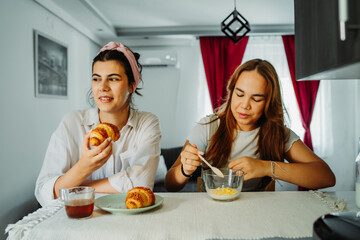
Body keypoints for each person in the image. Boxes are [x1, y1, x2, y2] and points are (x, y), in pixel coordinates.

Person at [165, 59, 335, 192]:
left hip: (258, 214)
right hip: (211, 212)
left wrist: (266, 167)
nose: (245, 105)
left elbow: (326, 177)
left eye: (256, 98)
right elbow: (171, 185)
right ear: (231, 93)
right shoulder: (207, 127)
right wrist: (184, 170)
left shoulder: (278, 134)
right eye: (240, 94)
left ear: (268, 102)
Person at [35, 42, 161, 206]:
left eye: (113, 79)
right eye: (96, 79)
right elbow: (44, 192)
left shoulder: (147, 123)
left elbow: (141, 183)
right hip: (80, 220)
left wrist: (76, 188)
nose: (102, 87)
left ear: (132, 85)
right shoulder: (71, 123)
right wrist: (84, 167)